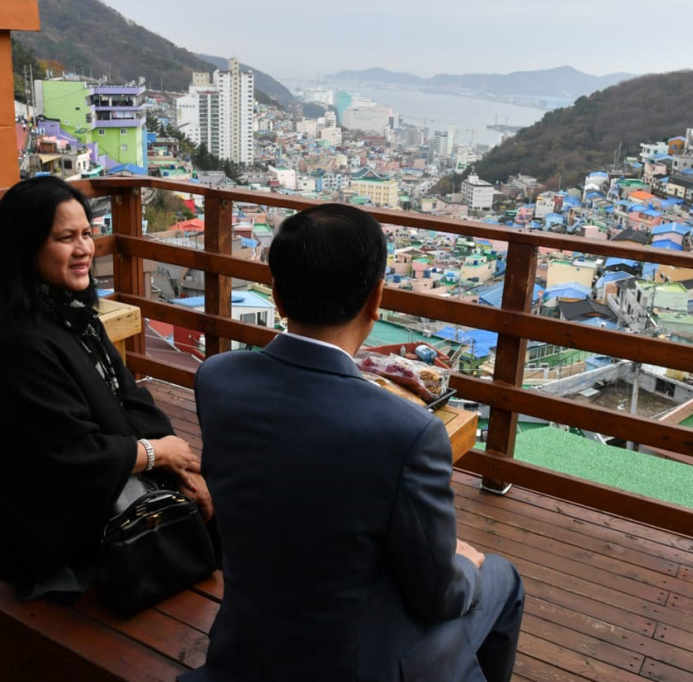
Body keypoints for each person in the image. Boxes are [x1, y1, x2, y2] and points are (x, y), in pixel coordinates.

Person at [184, 203, 524, 682]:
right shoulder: (407, 431)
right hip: (354, 664)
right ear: (375, 297)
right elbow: (438, 594)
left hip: (247, 643)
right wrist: (463, 565)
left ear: (277, 295)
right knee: (501, 580)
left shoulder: (217, 379)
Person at [0, 176, 211, 602]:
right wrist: (156, 453)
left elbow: (131, 397)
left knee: (211, 498)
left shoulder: (71, 314)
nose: (84, 248)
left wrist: (179, 462)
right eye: (65, 238)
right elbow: (65, 458)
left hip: (86, 476)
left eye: (87, 233)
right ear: (26, 247)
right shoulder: (18, 343)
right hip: (30, 518)